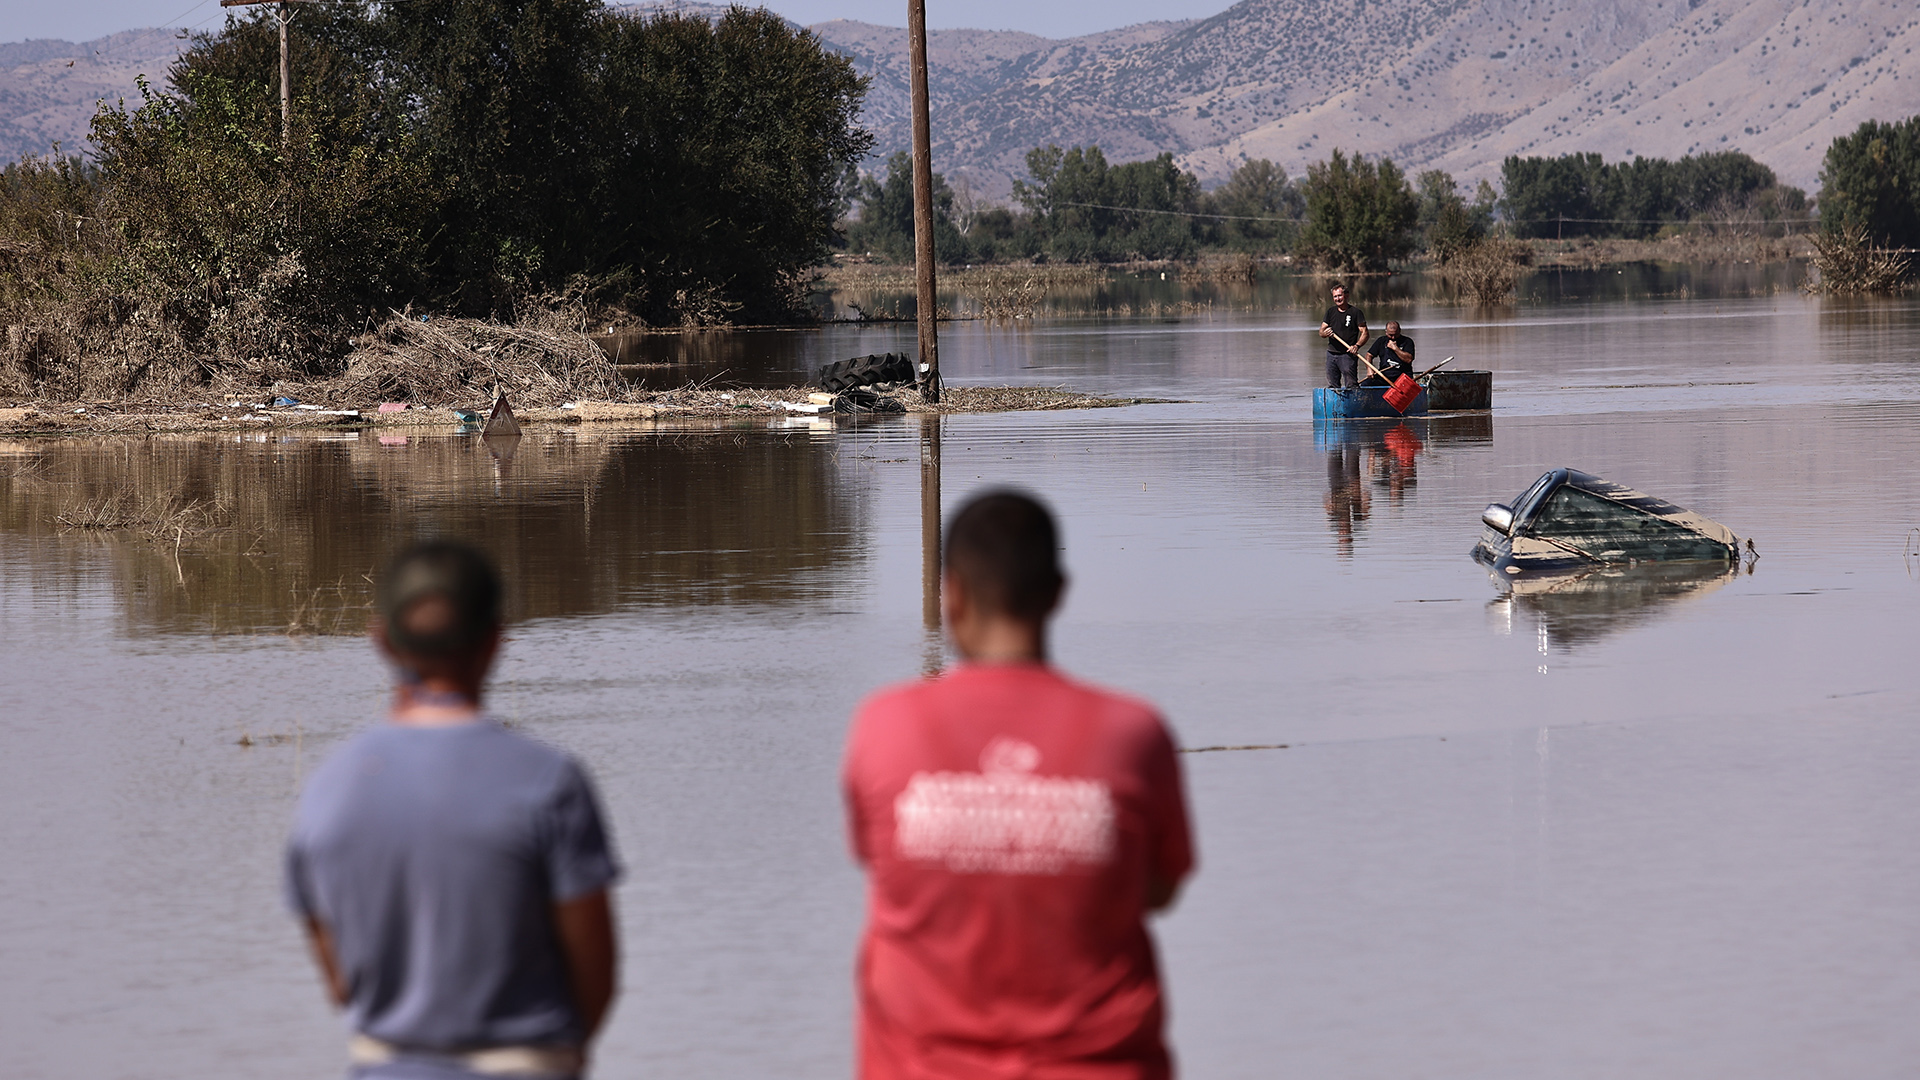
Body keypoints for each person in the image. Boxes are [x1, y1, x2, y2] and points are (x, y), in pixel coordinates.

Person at [842, 490, 1195, 1080]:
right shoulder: (1133, 735)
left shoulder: (883, 728)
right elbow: (1158, 889)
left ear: (949, 594)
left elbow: (882, 866)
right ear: (1058, 593)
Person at [285, 541, 620, 1080]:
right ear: (495, 641)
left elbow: (343, 981)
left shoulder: (326, 791)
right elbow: (594, 976)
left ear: (381, 641)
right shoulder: (549, 783)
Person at [1319, 284, 1369, 388]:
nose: (1337, 299)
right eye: (1335, 296)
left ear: (1346, 295)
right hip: (1331, 354)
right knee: (1332, 385)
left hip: (1348, 354)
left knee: (1351, 385)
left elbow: (1365, 333)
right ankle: (1334, 403)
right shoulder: (1330, 312)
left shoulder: (1356, 312)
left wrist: (1357, 346)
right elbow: (1321, 332)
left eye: (1340, 295)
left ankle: (1353, 403)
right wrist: (1325, 333)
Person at [1362, 321, 1416, 385]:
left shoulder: (1407, 341)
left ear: (1399, 331)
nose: (1393, 337)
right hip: (1384, 376)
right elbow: (1369, 355)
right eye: (1390, 335)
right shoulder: (1381, 341)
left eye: (1395, 335)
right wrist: (1369, 369)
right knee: (1366, 384)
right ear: (1386, 332)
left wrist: (1395, 348)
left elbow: (1409, 359)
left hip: (1403, 377)